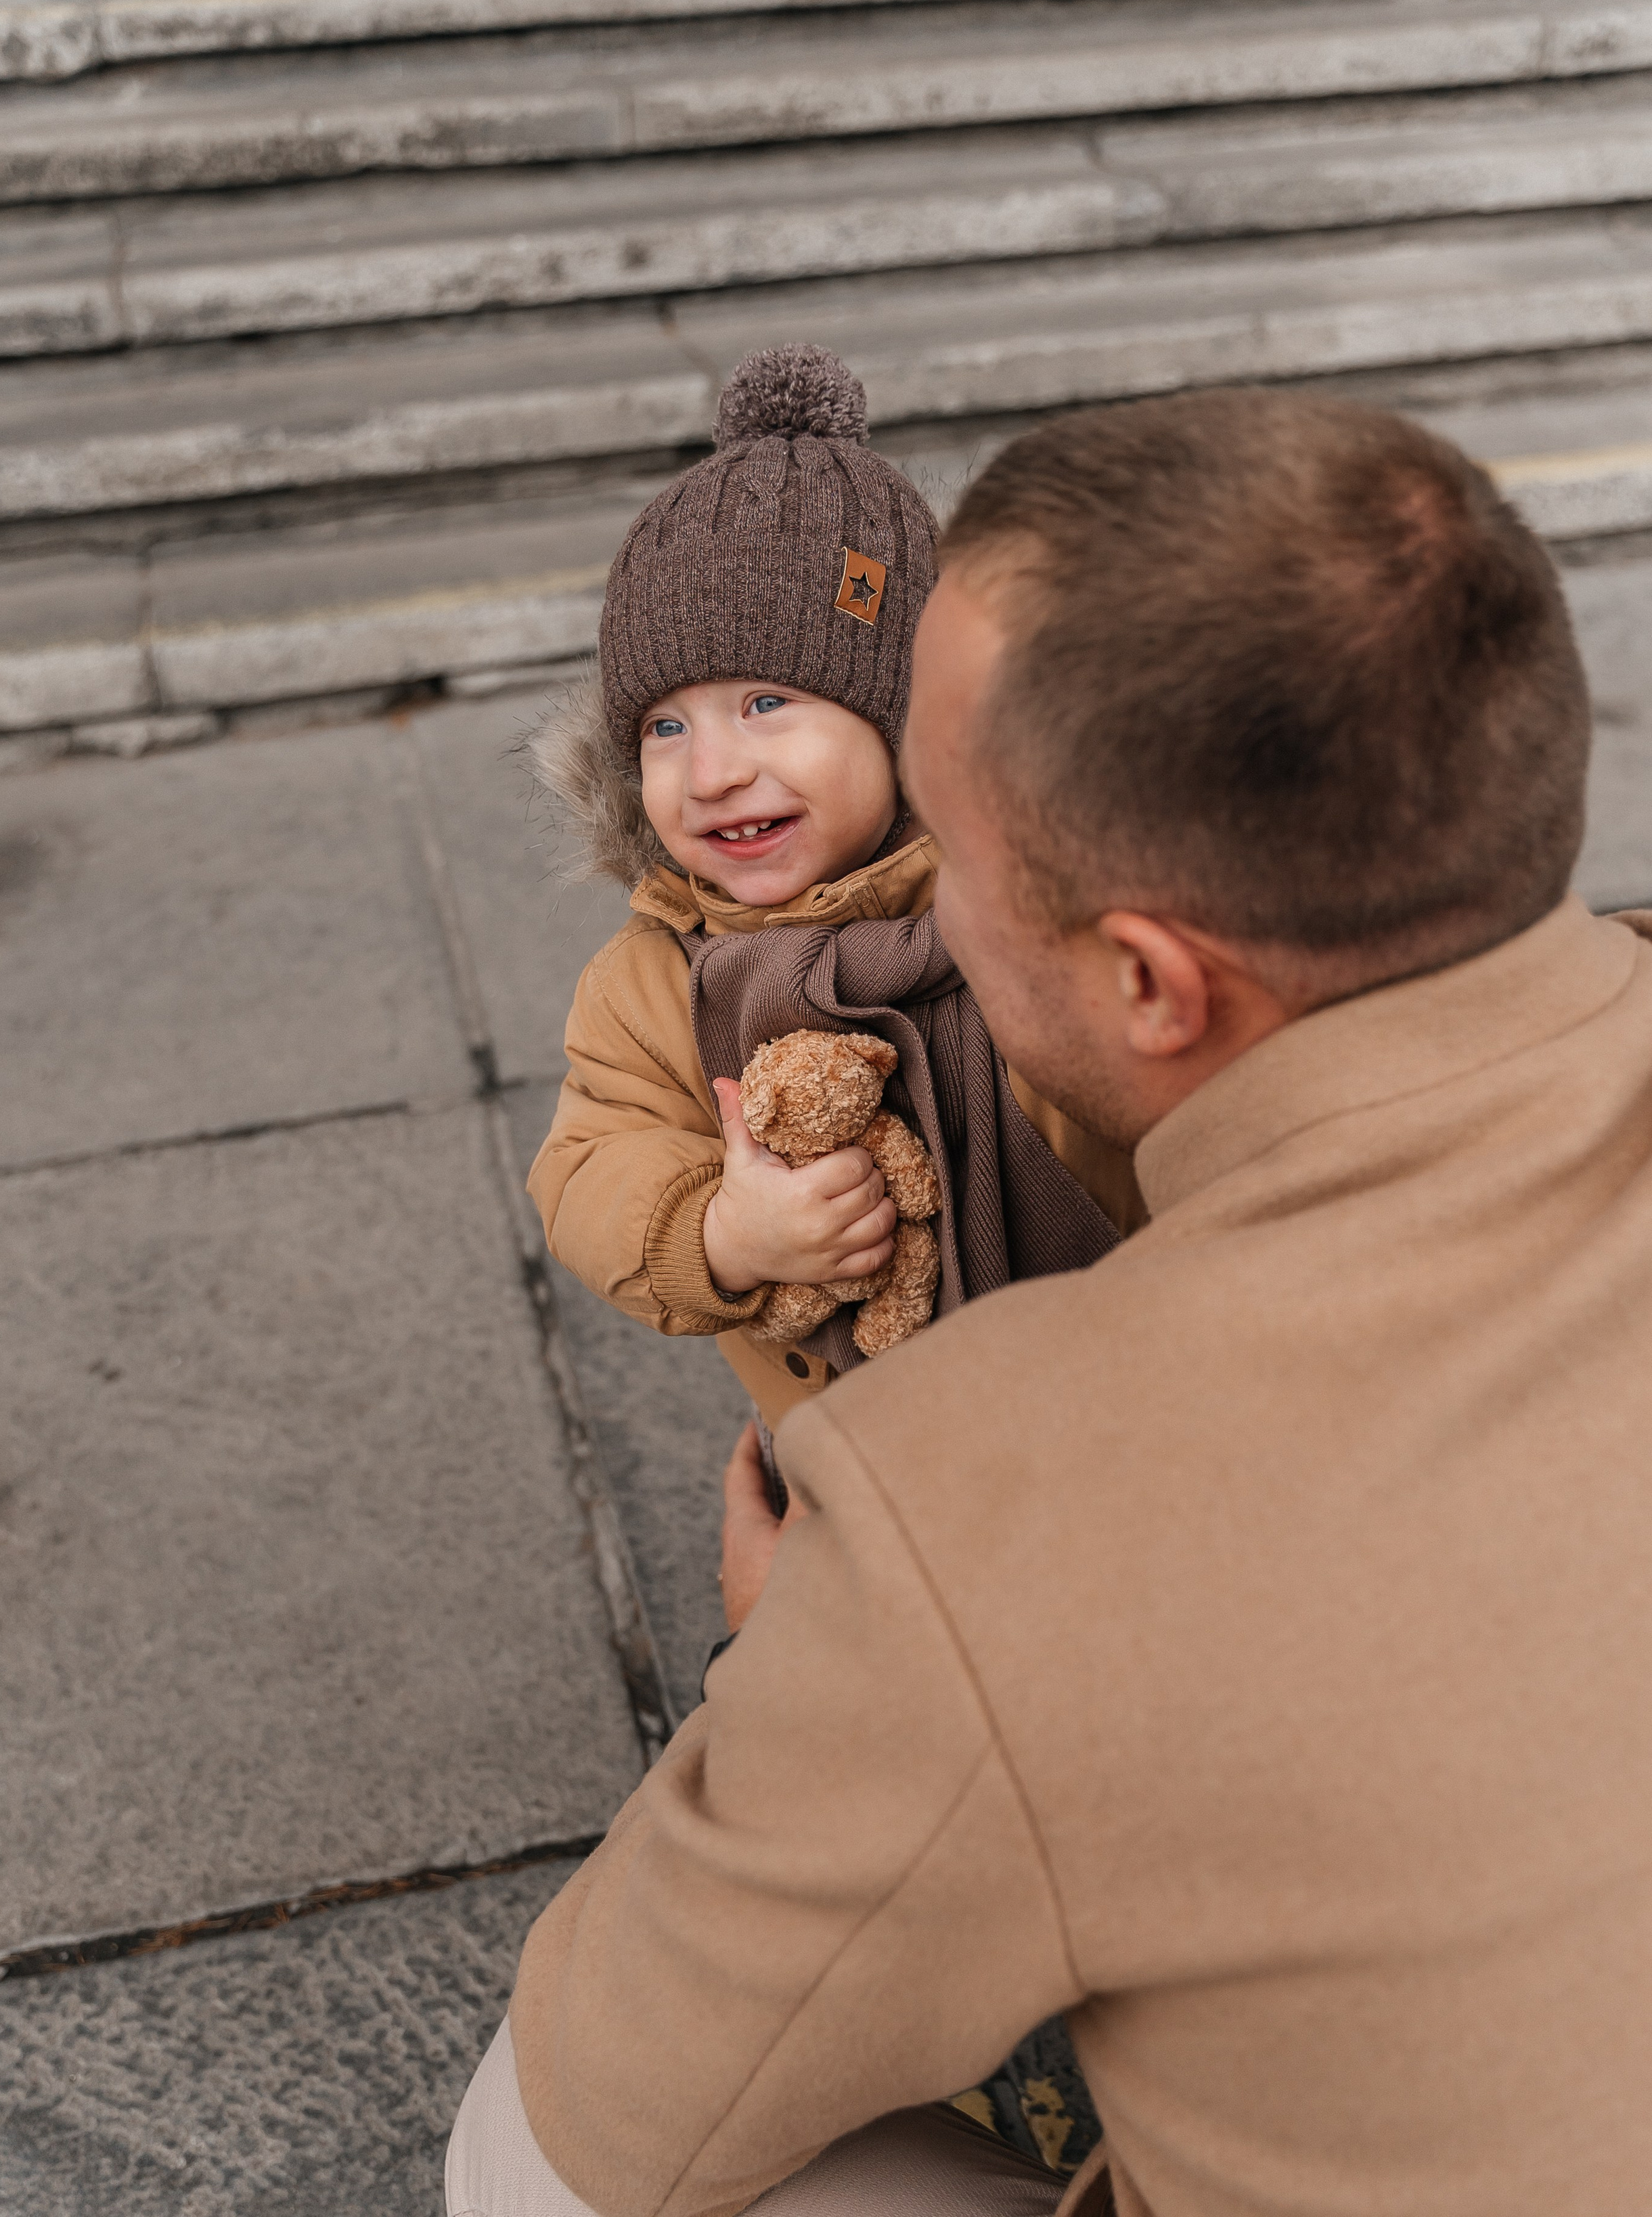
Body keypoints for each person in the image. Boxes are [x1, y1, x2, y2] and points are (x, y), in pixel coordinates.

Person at [451, 386, 1652, 2217]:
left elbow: (611, 2103)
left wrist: (813, 1671)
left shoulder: (978, 1520)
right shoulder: (661, 984)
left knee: (523, 2159)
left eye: (952, 823)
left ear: (1149, 979)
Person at [528, 342, 1138, 1455]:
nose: (711, 771)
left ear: (904, 720)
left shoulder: (1029, 894)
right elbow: (587, 1166)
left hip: (1120, 1405)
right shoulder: (654, 982)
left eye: (767, 702)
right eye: (666, 726)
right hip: (856, 1455)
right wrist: (719, 1231)